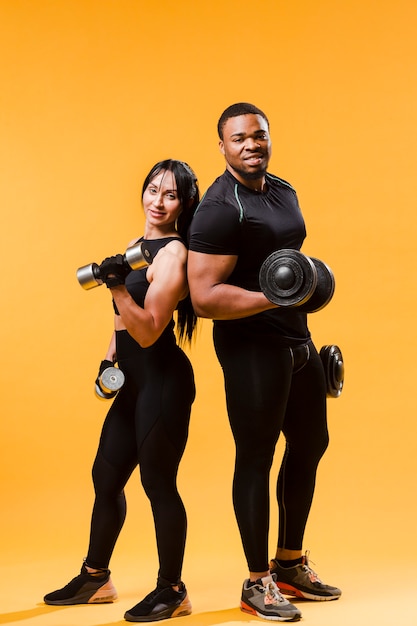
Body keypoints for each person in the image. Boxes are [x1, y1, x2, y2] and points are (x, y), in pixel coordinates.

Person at [187, 103, 341, 622]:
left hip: (297, 339)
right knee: (256, 455)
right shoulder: (217, 208)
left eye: (259, 135)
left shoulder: (282, 189)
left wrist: (302, 287)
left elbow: (288, 259)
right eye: (239, 138)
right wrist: (278, 297)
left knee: (311, 443)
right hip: (251, 347)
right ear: (223, 147)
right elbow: (205, 298)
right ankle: (257, 581)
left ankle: (291, 562)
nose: (251, 144)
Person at [44, 159, 200, 623]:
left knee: (157, 483)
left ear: (183, 204)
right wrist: (109, 359)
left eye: (170, 195)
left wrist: (114, 286)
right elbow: (123, 325)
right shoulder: (137, 247)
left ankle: (173, 590)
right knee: (105, 478)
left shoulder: (174, 254)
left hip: (164, 381)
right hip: (132, 379)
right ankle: (96, 578)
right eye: (153, 190)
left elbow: (150, 329)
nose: (157, 200)